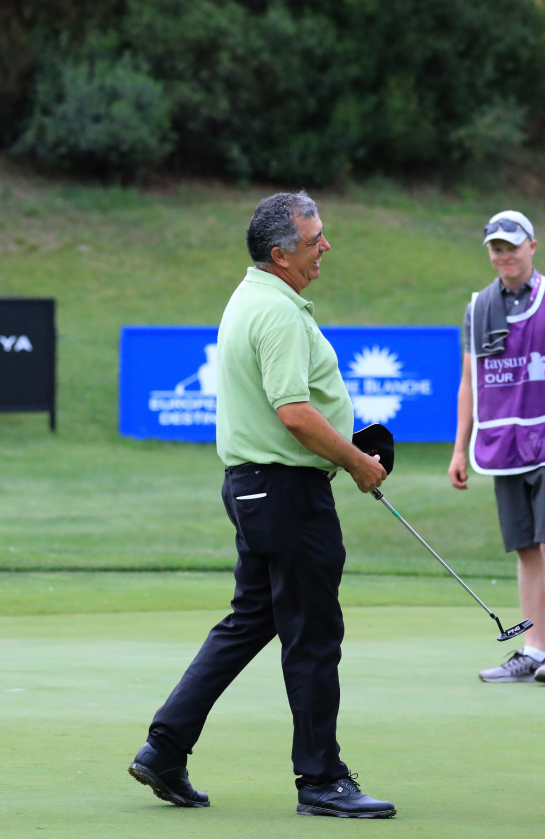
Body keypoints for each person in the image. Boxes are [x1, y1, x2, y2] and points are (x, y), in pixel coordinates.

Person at [128, 191, 396, 819]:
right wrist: (357, 461)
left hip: (258, 489)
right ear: (280, 254)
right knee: (312, 635)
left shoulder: (253, 296)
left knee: (251, 619)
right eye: (313, 240)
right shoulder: (276, 312)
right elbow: (294, 413)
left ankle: (164, 747)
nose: (325, 246)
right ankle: (321, 780)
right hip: (287, 493)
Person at [448, 210, 545, 687]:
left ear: (532, 246)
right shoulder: (478, 307)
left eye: (511, 246)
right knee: (525, 548)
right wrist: (459, 449)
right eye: (496, 248)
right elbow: (470, 380)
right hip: (503, 441)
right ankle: (534, 649)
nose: (504, 255)